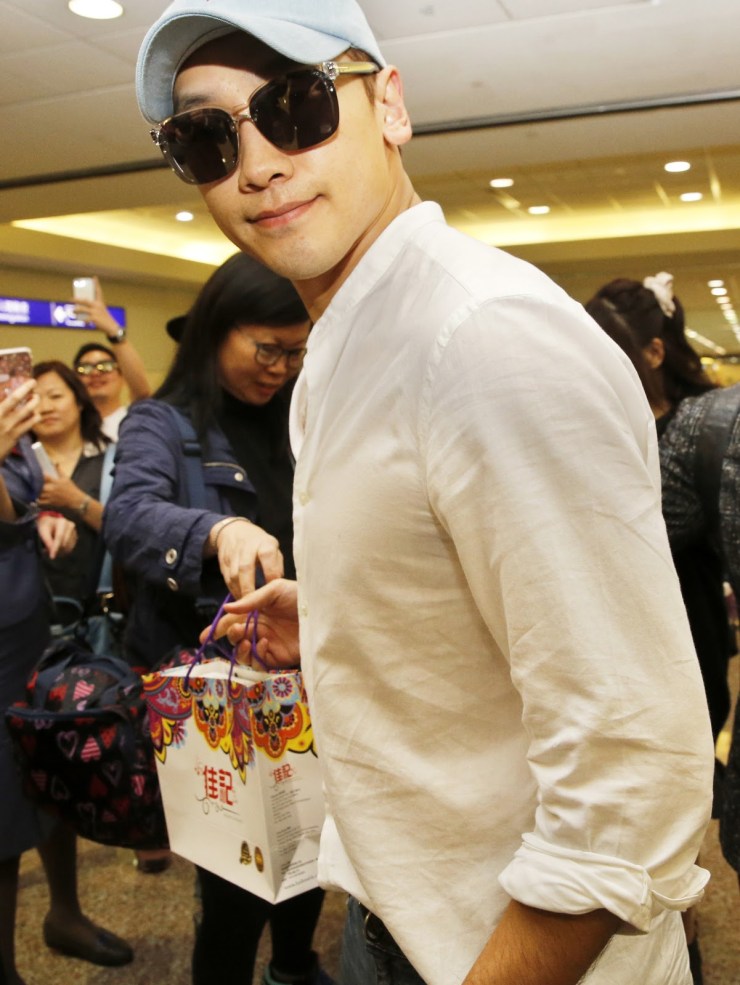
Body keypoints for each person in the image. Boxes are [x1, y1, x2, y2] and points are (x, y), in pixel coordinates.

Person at [136, 4, 715, 984]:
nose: (257, 164)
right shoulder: (352, 345)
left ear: (390, 108)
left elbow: (631, 769)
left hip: (511, 945)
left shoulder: (481, 339)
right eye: (206, 137)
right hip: (400, 909)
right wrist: (344, 616)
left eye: (296, 105)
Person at [103, 252, 328, 985]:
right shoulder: (161, 422)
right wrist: (215, 530)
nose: (281, 368)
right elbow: (128, 516)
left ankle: (294, 966)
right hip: (219, 690)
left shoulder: (300, 417)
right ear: (215, 330)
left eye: (296, 352)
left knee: (312, 844)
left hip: (304, 670)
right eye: (268, 349)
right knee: (236, 875)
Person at [584, 274, 733, 984]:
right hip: (609, 641)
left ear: (652, 350)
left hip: (687, 638)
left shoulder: (701, 430)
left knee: (679, 793)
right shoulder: (590, 427)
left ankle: (682, 934)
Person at [0, 378, 132, 984]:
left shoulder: (18, 439)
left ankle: (65, 913)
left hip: (25, 622)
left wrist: (46, 518)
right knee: (3, 799)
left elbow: (18, 507)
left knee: (45, 758)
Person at [71, 277, 151, 441]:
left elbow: (142, 392)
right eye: (84, 368)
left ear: (122, 376)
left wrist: (113, 330)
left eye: (105, 366)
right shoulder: (68, 429)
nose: (95, 373)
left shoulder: (135, 419)